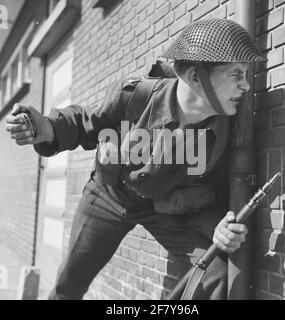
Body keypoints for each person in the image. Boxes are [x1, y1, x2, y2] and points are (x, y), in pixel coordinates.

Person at [5, 18, 266, 300]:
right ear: (194, 77)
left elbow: (210, 193)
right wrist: (47, 127)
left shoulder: (223, 134)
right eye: (236, 75)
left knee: (216, 277)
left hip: (161, 208)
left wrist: (217, 227)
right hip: (109, 196)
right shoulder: (133, 97)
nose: (246, 86)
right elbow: (84, 123)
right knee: (69, 286)